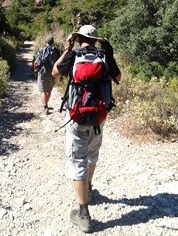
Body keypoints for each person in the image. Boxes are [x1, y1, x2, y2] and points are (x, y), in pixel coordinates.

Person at [52, 25, 121, 233]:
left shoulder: (73, 55)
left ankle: (83, 213)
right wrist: (109, 53)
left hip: (76, 117)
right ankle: (88, 186)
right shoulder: (103, 57)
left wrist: (67, 48)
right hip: (99, 117)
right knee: (92, 154)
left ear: (79, 38)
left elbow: (55, 72)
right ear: (95, 40)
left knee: (77, 161)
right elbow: (118, 78)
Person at [34, 36, 60, 115]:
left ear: (46, 42)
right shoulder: (56, 51)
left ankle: (45, 106)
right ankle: (46, 105)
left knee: (43, 90)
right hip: (52, 73)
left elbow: (36, 62)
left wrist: (35, 69)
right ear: (53, 42)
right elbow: (59, 61)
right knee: (48, 90)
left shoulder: (41, 50)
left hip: (42, 72)